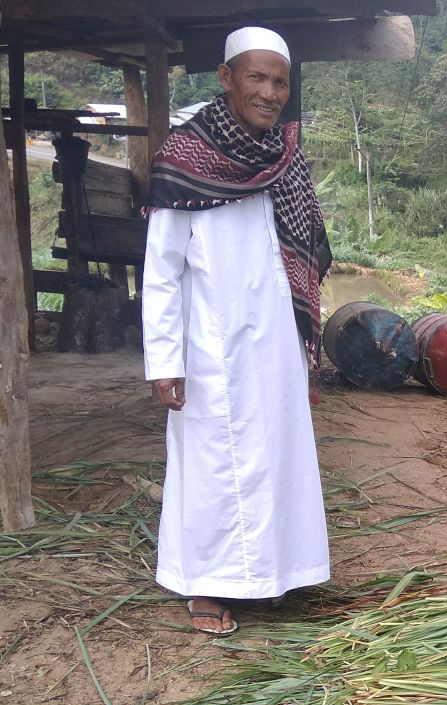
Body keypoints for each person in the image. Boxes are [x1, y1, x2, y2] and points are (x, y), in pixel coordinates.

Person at [141, 26, 332, 635]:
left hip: (275, 343)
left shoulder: (286, 157)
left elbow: (305, 252)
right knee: (212, 464)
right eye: (258, 76)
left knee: (276, 456)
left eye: (280, 81)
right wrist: (164, 359)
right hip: (210, 348)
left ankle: (274, 574)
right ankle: (207, 585)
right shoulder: (184, 156)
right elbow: (164, 272)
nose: (271, 92)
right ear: (226, 78)